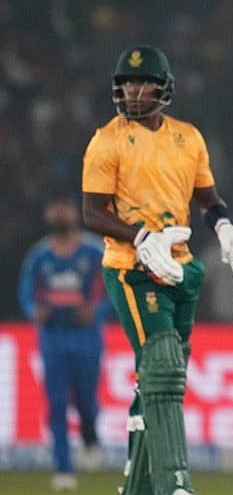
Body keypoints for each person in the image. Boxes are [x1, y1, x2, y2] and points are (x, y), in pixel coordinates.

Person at [81, 44, 233, 495]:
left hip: (181, 267)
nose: (135, 91)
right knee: (160, 364)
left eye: (143, 83)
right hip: (131, 267)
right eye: (128, 84)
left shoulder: (187, 138)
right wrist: (139, 237)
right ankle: (174, 482)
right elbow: (92, 212)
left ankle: (136, 486)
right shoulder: (107, 140)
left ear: (164, 88)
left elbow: (207, 198)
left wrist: (224, 224)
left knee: (162, 376)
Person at [18, 193, 109, 492]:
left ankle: (90, 438)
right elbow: (27, 291)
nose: (59, 213)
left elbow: (111, 290)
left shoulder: (94, 252)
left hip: (86, 339)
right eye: (54, 208)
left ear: (73, 213)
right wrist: (35, 312)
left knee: (85, 400)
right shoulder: (40, 256)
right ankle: (63, 467)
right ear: (48, 215)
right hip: (53, 338)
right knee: (57, 403)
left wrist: (95, 313)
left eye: (64, 208)